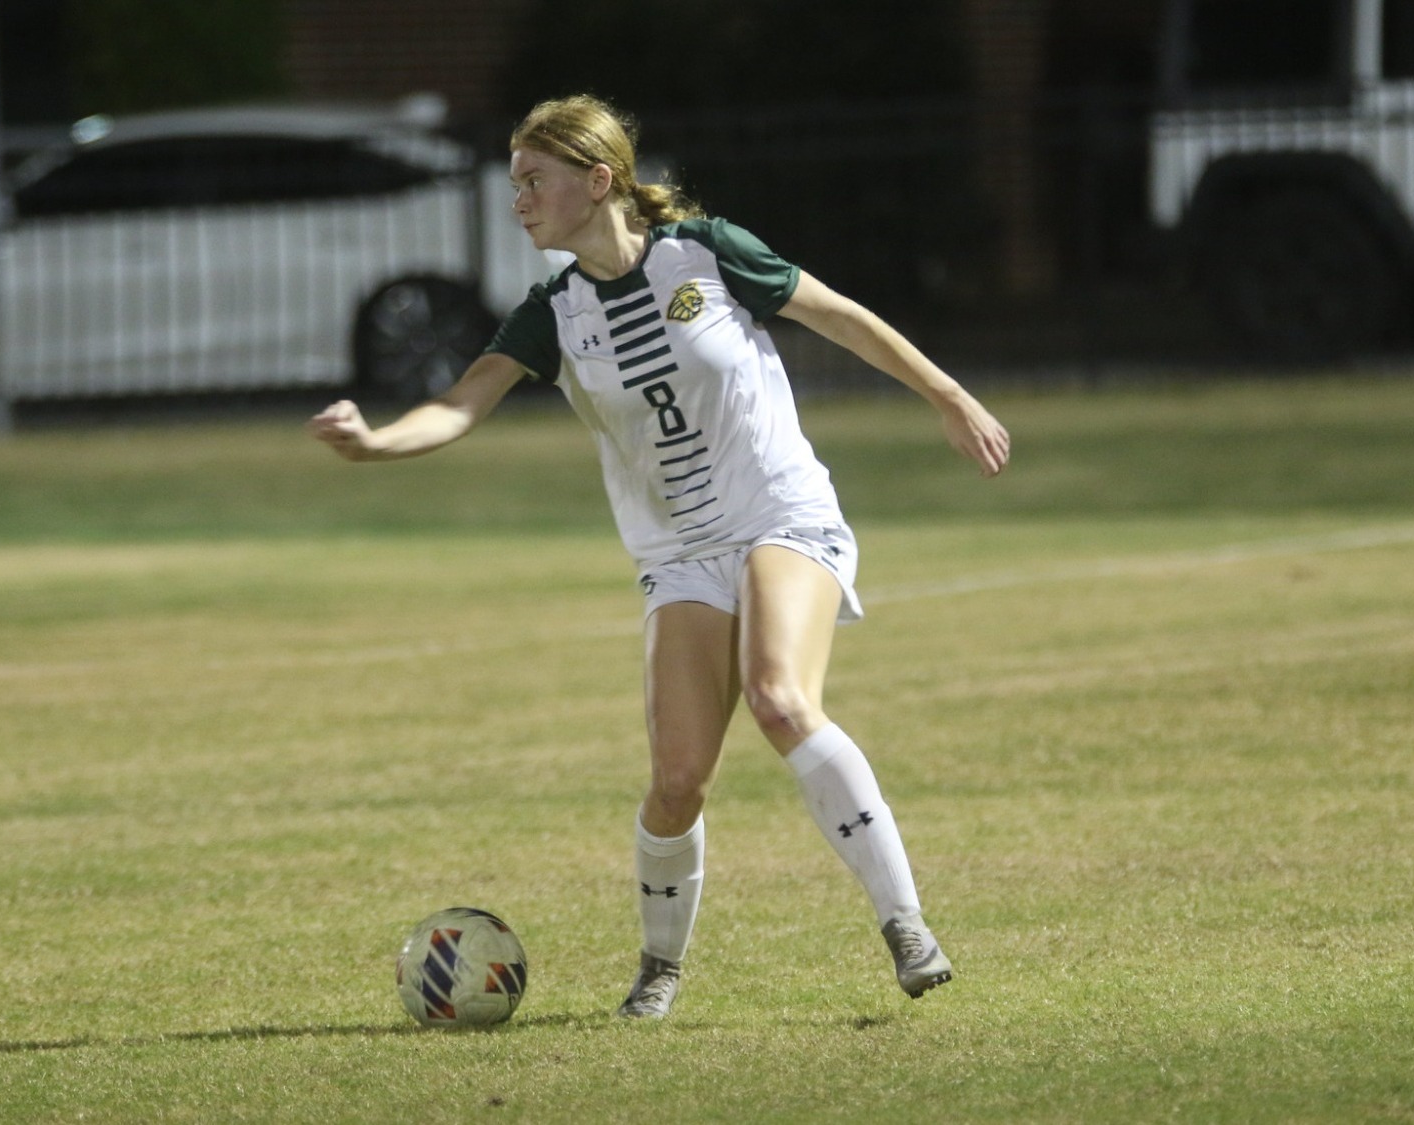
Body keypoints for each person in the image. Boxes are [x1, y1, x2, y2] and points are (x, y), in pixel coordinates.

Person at [309, 94, 1010, 1019]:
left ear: (598, 182)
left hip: (781, 514)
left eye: (534, 182)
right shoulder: (554, 313)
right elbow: (462, 403)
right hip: (680, 552)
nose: (518, 200)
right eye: (514, 183)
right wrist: (376, 441)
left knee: (779, 696)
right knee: (679, 781)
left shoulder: (706, 253)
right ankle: (660, 967)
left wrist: (947, 395)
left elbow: (838, 316)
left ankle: (907, 926)